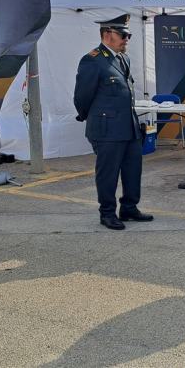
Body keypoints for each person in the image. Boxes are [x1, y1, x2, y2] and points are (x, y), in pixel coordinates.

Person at [74, 13, 154, 230]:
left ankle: (129, 208)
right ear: (107, 34)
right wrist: (94, 118)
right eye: (123, 35)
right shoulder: (92, 60)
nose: (126, 39)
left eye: (128, 35)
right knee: (108, 173)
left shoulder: (123, 58)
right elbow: (82, 98)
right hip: (107, 129)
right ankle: (107, 213)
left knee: (132, 170)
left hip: (128, 127)